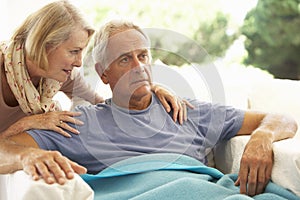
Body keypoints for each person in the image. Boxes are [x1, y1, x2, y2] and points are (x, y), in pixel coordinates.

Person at [1, 19, 297, 197]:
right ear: (104, 74)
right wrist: (28, 153)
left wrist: (262, 137)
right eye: (125, 60)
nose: (139, 67)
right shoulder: (79, 123)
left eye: (143, 56)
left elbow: (281, 118)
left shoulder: (188, 110)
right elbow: (4, 147)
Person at [0, 1, 189, 139]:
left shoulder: (63, 76)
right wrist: (28, 124)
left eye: (82, 51)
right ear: (44, 45)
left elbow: (106, 105)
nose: (79, 63)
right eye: (74, 51)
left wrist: (150, 90)